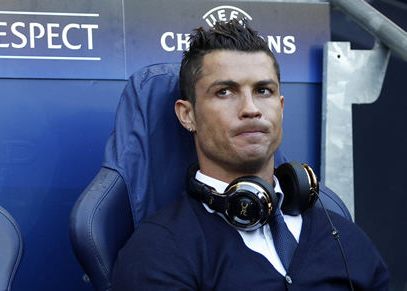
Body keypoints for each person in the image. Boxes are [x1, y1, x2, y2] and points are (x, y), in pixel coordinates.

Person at [111, 19, 389, 290]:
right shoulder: (158, 250)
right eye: (225, 92)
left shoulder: (345, 238)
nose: (251, 108)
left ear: (280, 107)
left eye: (263, 90)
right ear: (187, 115)